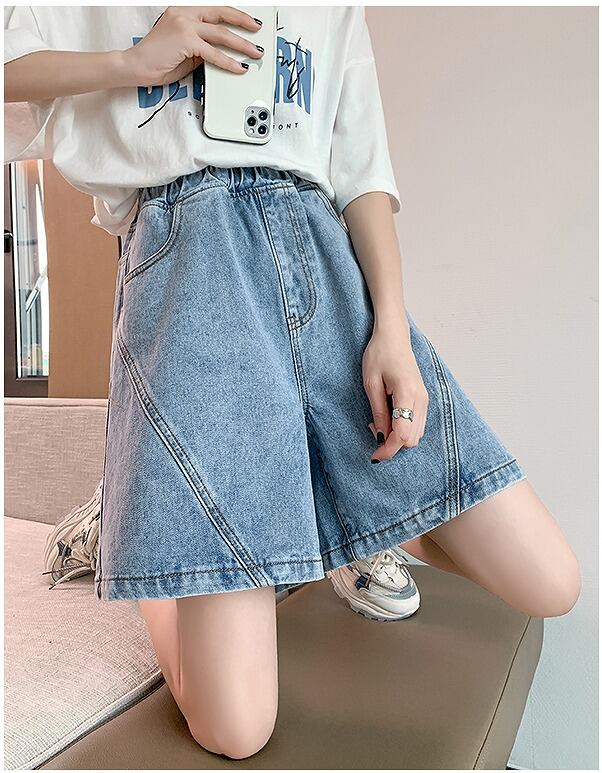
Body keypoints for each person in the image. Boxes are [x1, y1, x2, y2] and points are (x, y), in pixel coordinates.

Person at [5, 5, 581, 761]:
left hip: (323, 257)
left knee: (550, 580)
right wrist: (133, 62)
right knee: (236, 729)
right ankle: (132, 517)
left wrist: (392, 329)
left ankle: (326, 515)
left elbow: (360, 168)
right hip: (190, 266)